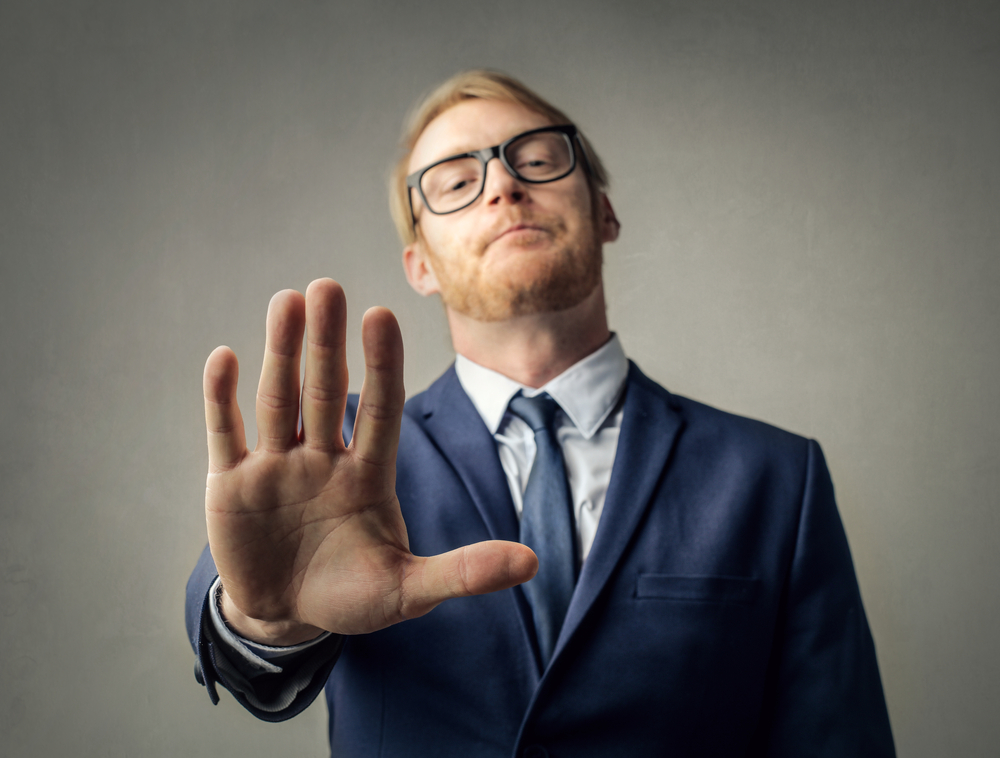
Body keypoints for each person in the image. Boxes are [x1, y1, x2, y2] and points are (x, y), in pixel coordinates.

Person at [186, 70, 895, 757]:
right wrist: (263, 620)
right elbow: (242, 651)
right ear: (420, 264)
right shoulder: (331, 454)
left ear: (604, 212)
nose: (503, 185)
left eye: (536, 159)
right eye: (458, 182)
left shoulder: (776, 476)